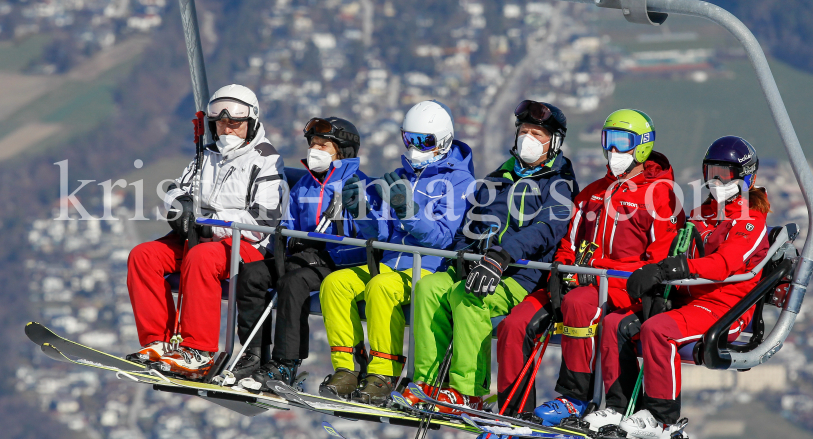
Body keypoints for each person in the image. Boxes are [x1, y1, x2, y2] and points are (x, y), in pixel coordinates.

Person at [583, 135, 771, 439]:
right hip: (687, 300)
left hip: (725, 307)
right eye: (711, 172)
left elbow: (724, 263)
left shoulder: (750, 219)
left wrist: (673, 269)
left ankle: (662, 419)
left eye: (725, 174)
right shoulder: (704, 212)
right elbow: (679, 246)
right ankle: (619, 407)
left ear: (745, 176)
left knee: (659, 330)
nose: (716, 181)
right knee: (614, 322)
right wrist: (659, 272)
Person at [500, 109, 680, 422]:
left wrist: (595, 269)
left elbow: (657, 262)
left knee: (580, 303)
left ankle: (575, 397)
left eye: (622, 142)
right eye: (607, 140)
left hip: (624, 290)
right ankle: (512, 410)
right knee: (514, 324)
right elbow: (569, 240)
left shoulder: (659, 196)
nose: (613, 150)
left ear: (642, 146)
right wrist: (562, 270)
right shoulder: (593, 193)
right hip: (581, 283)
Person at [405, 100, 577, 413]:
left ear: (554, 142)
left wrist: (501, 256)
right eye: (524, 131)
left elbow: (545, 230)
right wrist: (462, 254)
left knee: (470, 297)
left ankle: (468, 391)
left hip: (520, 275)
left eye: (537, 133)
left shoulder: (558, 184)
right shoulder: (498, 178)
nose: (527, 138)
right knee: (429, 289)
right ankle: (429, 383)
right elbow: (469, 223)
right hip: (477, 266)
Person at [318, 100, 475, 404]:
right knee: (335, 284)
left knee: (381, 288)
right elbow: (383, 234)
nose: (415, 148)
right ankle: (347, 368)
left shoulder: (459, 182)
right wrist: (362, 212)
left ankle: (383, 372)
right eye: (409, 139)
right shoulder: (399, 176)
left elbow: (442, 238)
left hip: (427, 268)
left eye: (424, 142)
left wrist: (410, 211)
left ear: (442, 142)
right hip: (390, 263)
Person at [125, 85, 285, 378]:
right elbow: (175, 188)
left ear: (251, 123)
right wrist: (179, 205)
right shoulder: (206, 156)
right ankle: (158, 342)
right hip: (199, 237)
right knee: (143, 255)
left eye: (234, 124)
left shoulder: (265, 160)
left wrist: (214, 223)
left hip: (245, 246)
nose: (227, 130)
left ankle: (198, 351)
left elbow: (265, 218)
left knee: (201, 258)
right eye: (221, 124)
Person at [230, 117, 384, 386]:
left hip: (338, 261)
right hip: (303, 256)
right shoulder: (305, 185)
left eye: (323, 146)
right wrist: (289, 240)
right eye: (313, 144)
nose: (315, 150)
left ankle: (286, 364)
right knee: (253, 274)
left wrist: (358, 211)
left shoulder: (359, 186)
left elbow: (373, 233)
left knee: (293, 282)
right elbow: (289, 223)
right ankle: (253, 354)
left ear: (342, 151)